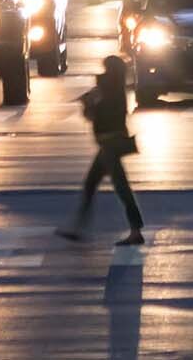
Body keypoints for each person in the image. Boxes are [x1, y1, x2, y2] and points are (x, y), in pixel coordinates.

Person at [58, 55, 145, 245]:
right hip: (108, 144)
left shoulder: (108, 90)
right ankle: (78, 228)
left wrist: (88, 104)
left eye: (106, 68)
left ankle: (135, 230)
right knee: (92, 185)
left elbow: (96, 115)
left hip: (109, 145)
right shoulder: (115, 89)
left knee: (120, 188)